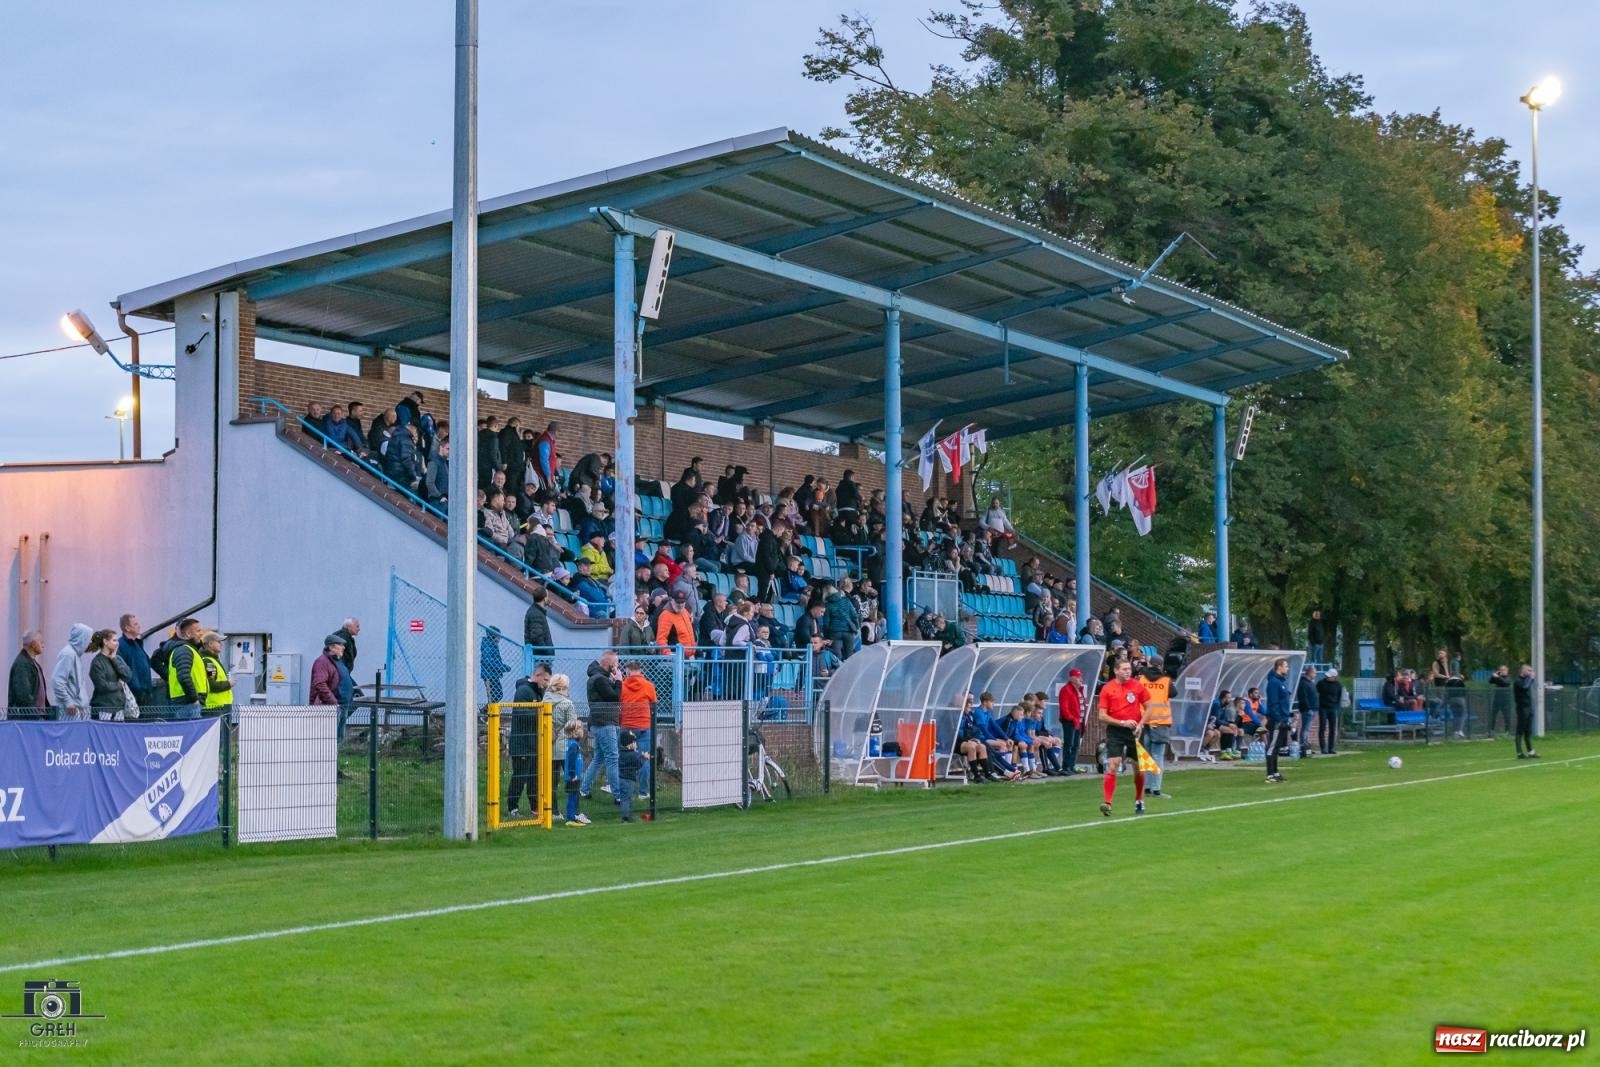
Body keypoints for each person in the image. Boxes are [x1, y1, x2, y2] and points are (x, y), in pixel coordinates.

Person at [1097, 657, 1151, 816]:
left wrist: (1140, 724)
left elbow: (1149, 708)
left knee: (1139, 769)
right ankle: (1107, 803)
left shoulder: (1137, 686)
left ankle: (1139, 800)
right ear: (1116, 671)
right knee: (1113, 764)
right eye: (1124, 669)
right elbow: (1102, 716)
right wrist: (1122, 722)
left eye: (1129, 669)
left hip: (1135, 731)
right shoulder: (1107, 689)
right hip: (1116, 731)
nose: (1128, 672)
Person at [506, 662, 552, 819]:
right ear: (537, 675)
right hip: (521, 743)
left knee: (534, 777)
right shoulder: (523, 691)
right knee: (520, 776)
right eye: (545, 680)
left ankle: (535, 807)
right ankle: (512, 808)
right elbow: (522, 712)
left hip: (534, 743)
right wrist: (541, 711)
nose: (546, 684)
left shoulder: (539, 692)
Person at [581, 651, 624, 798]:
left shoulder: (600, 677)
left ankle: (584, 789)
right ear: (610, 665)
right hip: (605, 723)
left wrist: (613, 681)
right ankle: (618, 795)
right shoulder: (600, 679)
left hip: (601, 722)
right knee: (612, 758)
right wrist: (618, 681)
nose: (618, 667)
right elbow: (614, 697)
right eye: (617, 664)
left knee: (599, 757)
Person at [619, 661, 658, 801]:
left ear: (627, 672)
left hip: (626, 725)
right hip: (643, 725)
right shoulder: (648, 686)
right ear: (640, 671)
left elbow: (618, 704)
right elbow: (654, 703)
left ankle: (623, 792)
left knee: (623, 760)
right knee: (644, 758)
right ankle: (643, 792)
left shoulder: (622, 686)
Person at [309, 634, 353, 741]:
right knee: (328, 739)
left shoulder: (338, 661)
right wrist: (333, 702)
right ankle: (323, 758)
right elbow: (319, 684)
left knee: (338, 738)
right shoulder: (322, 662)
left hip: (342, 706)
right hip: (331, 708)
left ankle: (333, 758)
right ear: (331, 647)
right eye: (340, 645)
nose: (343, 647)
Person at [163, 621, 207, 721]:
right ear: (188, 634)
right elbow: (183, 676)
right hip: (188, 704)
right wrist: (194, 699)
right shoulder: (184, 650)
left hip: (188, 704)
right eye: (198, 631)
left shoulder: (188, 650)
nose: (201, 633)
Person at [1141, 664, 1173, 796]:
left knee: (1146, 756)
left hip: (1145, 722)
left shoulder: (1142, 680)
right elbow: (1174, 693)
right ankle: (1156, 789)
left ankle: (1147, 787)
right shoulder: (1165, 680)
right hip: (1160, 723)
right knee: (1158, 756)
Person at [87, 629, 131, 720]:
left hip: (119, 708)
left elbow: (128, 676)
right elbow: (102, 686)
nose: (117, 643)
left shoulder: (117, 658)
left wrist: (114, 659)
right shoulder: (97, 662)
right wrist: (119, 685)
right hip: (103, 709)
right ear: (105, 642)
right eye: (114, 640)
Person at [115, 613, 156, 708]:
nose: (139, 626)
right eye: (135, 624)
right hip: (133, 696)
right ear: (127, 628)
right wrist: (136, 688)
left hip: (145, 695)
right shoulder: (120, 646)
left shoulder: (137, 644)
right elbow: (121, 671)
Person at [1263, 658, 1293, 783]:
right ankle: (1270, 774)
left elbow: (1282, 702)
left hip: (1283, 719)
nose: (1288, 668)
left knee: (1278, 747)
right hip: (1276, 720)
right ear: (1279, 667)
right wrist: (1279, 718)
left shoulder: (1281, 682)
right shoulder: (1274, 682)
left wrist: (1289, 715)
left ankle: (1275, 772)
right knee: (1273, 746)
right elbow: (1273, 703)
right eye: (1286, 666)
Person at [8, 630, 50, 717]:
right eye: (41, 642)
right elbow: (24, 697)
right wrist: (36, 716)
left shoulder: (33, 663)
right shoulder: (21, 665)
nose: (43, 645)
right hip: (26, 722)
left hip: (35, 719)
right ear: (33, 644)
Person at [561, 719, 591, 826]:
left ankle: (574, 816)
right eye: (580, 728)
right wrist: (573, 774)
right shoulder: (573, 745)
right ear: (574, 732)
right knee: (572, 796)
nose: (582, 730)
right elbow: (571, 761)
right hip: (573, 777)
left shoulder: (574, 744)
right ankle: (570, 818)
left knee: (574, 795)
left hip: (575, 776)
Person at [198, 631, 235, 718]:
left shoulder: (212, 660)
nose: (221, 644)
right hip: (214, 708)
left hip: (219, 707)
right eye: (218, 642)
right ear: (210, 644)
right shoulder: (209, 662)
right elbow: (211, 685)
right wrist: (228, 684)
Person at [1058, 667, 1087, 775]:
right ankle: (1066, 767)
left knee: (1075, 745)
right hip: (1070, 722)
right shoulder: (1066, 689)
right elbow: (1064, 707)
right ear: (1071, 678)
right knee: (1069, 744)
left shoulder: (1079, 690)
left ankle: (1071, 765)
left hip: (1078, 722)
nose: (1080, 679)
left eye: (1080, 676)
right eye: (1077, 677)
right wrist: (1071, 718)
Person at [617, 730, 649, 822]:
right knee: (627, 799)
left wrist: (639, 755)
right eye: (634, 742)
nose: (636, 744)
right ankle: (626, 817)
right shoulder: (632, 754)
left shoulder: (622, 753)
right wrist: (644, 758)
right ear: (629, 744)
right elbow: (638, 764)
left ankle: (626, 815)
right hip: (628, 780)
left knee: (625, 798)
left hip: (622, 779)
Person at [523, 584, 555, 662]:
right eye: (547, 596)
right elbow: (536, 637)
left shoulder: (536, 612)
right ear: (544, 598)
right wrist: (548, 652)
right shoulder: (536, 614)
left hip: (539, 656)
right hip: (540, 657)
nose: (548, 598)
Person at [1314, 669, 1343, 754]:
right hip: (1323, 707)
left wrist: (1336, 706)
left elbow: (1339, 696)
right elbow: (1317, 693)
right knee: (1322, 727)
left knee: (1332, 729)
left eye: (1330, 676)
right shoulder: (1321, 683)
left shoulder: (1338, 685)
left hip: (1333, 708)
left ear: (1334, 677)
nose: (1328, 677)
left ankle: (1331, 748)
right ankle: (1323, 747)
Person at [1513, 664, 1538, 759]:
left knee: (1528, 731)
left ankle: (1530, 751)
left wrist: (1531, 679)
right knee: (1520, 730)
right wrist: (1531, 679)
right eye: (1529, 670)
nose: (1531, 672)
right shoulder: (1518, 681)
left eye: (1531, 671)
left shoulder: (1526, 681)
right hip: (1522, 708)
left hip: (1528, 707)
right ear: (1523, 671)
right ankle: (1519, 752)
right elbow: (1525, 687)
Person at [480, 628, 511, 706]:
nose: (499, 638)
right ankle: (487, 712)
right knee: (493, 697)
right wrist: (503, 668)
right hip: (489, 675)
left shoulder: (492, 646)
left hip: (493, 675)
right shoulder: (488, 646)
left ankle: (487, 711)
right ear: (493, 636)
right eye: (498, 636)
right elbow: (488, 662)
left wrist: (502, 667)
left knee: (498, 695)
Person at [1487, 665, 1513, 740]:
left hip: (1505, 700)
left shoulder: (1508, 678)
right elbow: (1490, 681)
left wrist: (1498, 677)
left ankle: (1507, 731)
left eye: (1504, 670)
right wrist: (1494, 675)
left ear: (1507, 671)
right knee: (1493, 715)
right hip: (1497, 699)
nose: (1502, 671)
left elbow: (1505, 683)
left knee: (1506, 716)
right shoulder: (1498, 677)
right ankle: (1491, 730)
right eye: (1501, 670)